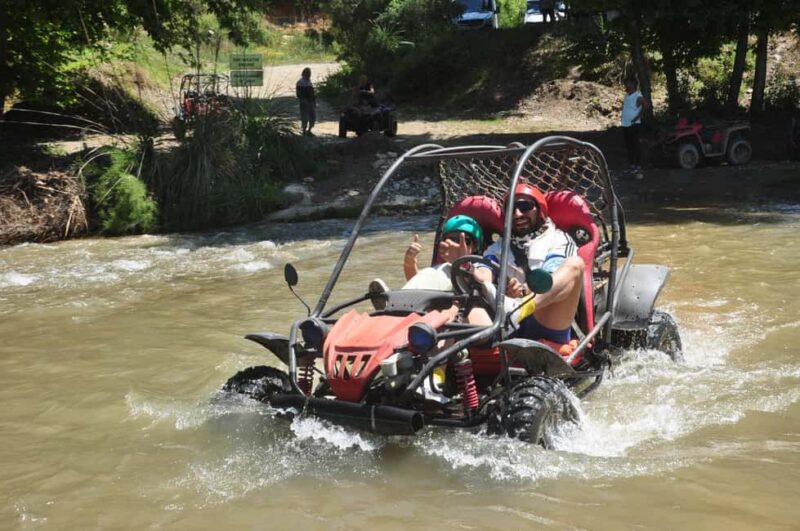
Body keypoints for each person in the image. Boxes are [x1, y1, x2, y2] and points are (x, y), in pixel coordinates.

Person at [473, 182, 584, 346]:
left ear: (540, 210)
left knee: (576, 264)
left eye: (524, 206)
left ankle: (518, 310)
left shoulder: (559, 240)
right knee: (469, 292)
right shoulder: (498, 247)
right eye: (511, 209)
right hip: (508, 325)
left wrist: (523, 291)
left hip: (546, 319)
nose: (517, 214)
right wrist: (479, 277)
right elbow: (485, 269)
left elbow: (551, 276)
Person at [402, 215, 483, 290]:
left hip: (460, 299)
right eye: (452, 239)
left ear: (474, 247)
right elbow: (415, 280)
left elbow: (483, 283)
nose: (457, 245)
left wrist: (464, 264)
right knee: (429, 272)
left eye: (465, 241)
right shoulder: (437, 269)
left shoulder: (480, 267)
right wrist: (409, 262)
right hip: (427, 298)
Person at [621, 77, 648, 179]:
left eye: (628, 83)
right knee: (628, 145)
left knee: (635, 145)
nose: (626, 85)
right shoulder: (626, 96)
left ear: (633, 85)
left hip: (634, 124)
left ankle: (638, 166)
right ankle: (632, 165)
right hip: (625, 124)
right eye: (626, 83)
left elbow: (646, 105)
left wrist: (637, 117)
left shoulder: (638, 95)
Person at [296, 67, 316, 136]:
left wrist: (314, 101)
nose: (309, 74)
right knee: (305, 117)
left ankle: (309, 130)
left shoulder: (309, 82)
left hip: (310, 102)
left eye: (309, 73)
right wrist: (303, 100)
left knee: (312, 117)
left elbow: (312, 93)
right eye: (307, 73)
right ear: (304, 73)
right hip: (304, 102)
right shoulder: (300, 82)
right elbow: (298, 93)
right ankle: (304, 131)